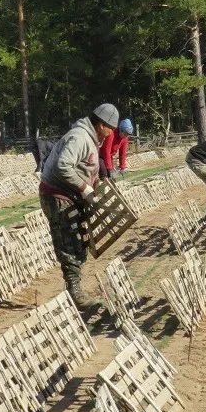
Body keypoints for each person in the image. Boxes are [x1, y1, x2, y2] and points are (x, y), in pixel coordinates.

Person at [39, 103, 119, 309]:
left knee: (75, 240)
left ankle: (74, 290)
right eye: (110, 128)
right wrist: (84, 187)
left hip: (69, 194)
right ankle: (74, 293)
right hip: (57, 194)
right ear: (102, 125)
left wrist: (95, 183)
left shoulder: (90, 139)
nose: (110, 134)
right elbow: (62, 165)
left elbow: (85, 166)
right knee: (67, 241)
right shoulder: (80, 137)